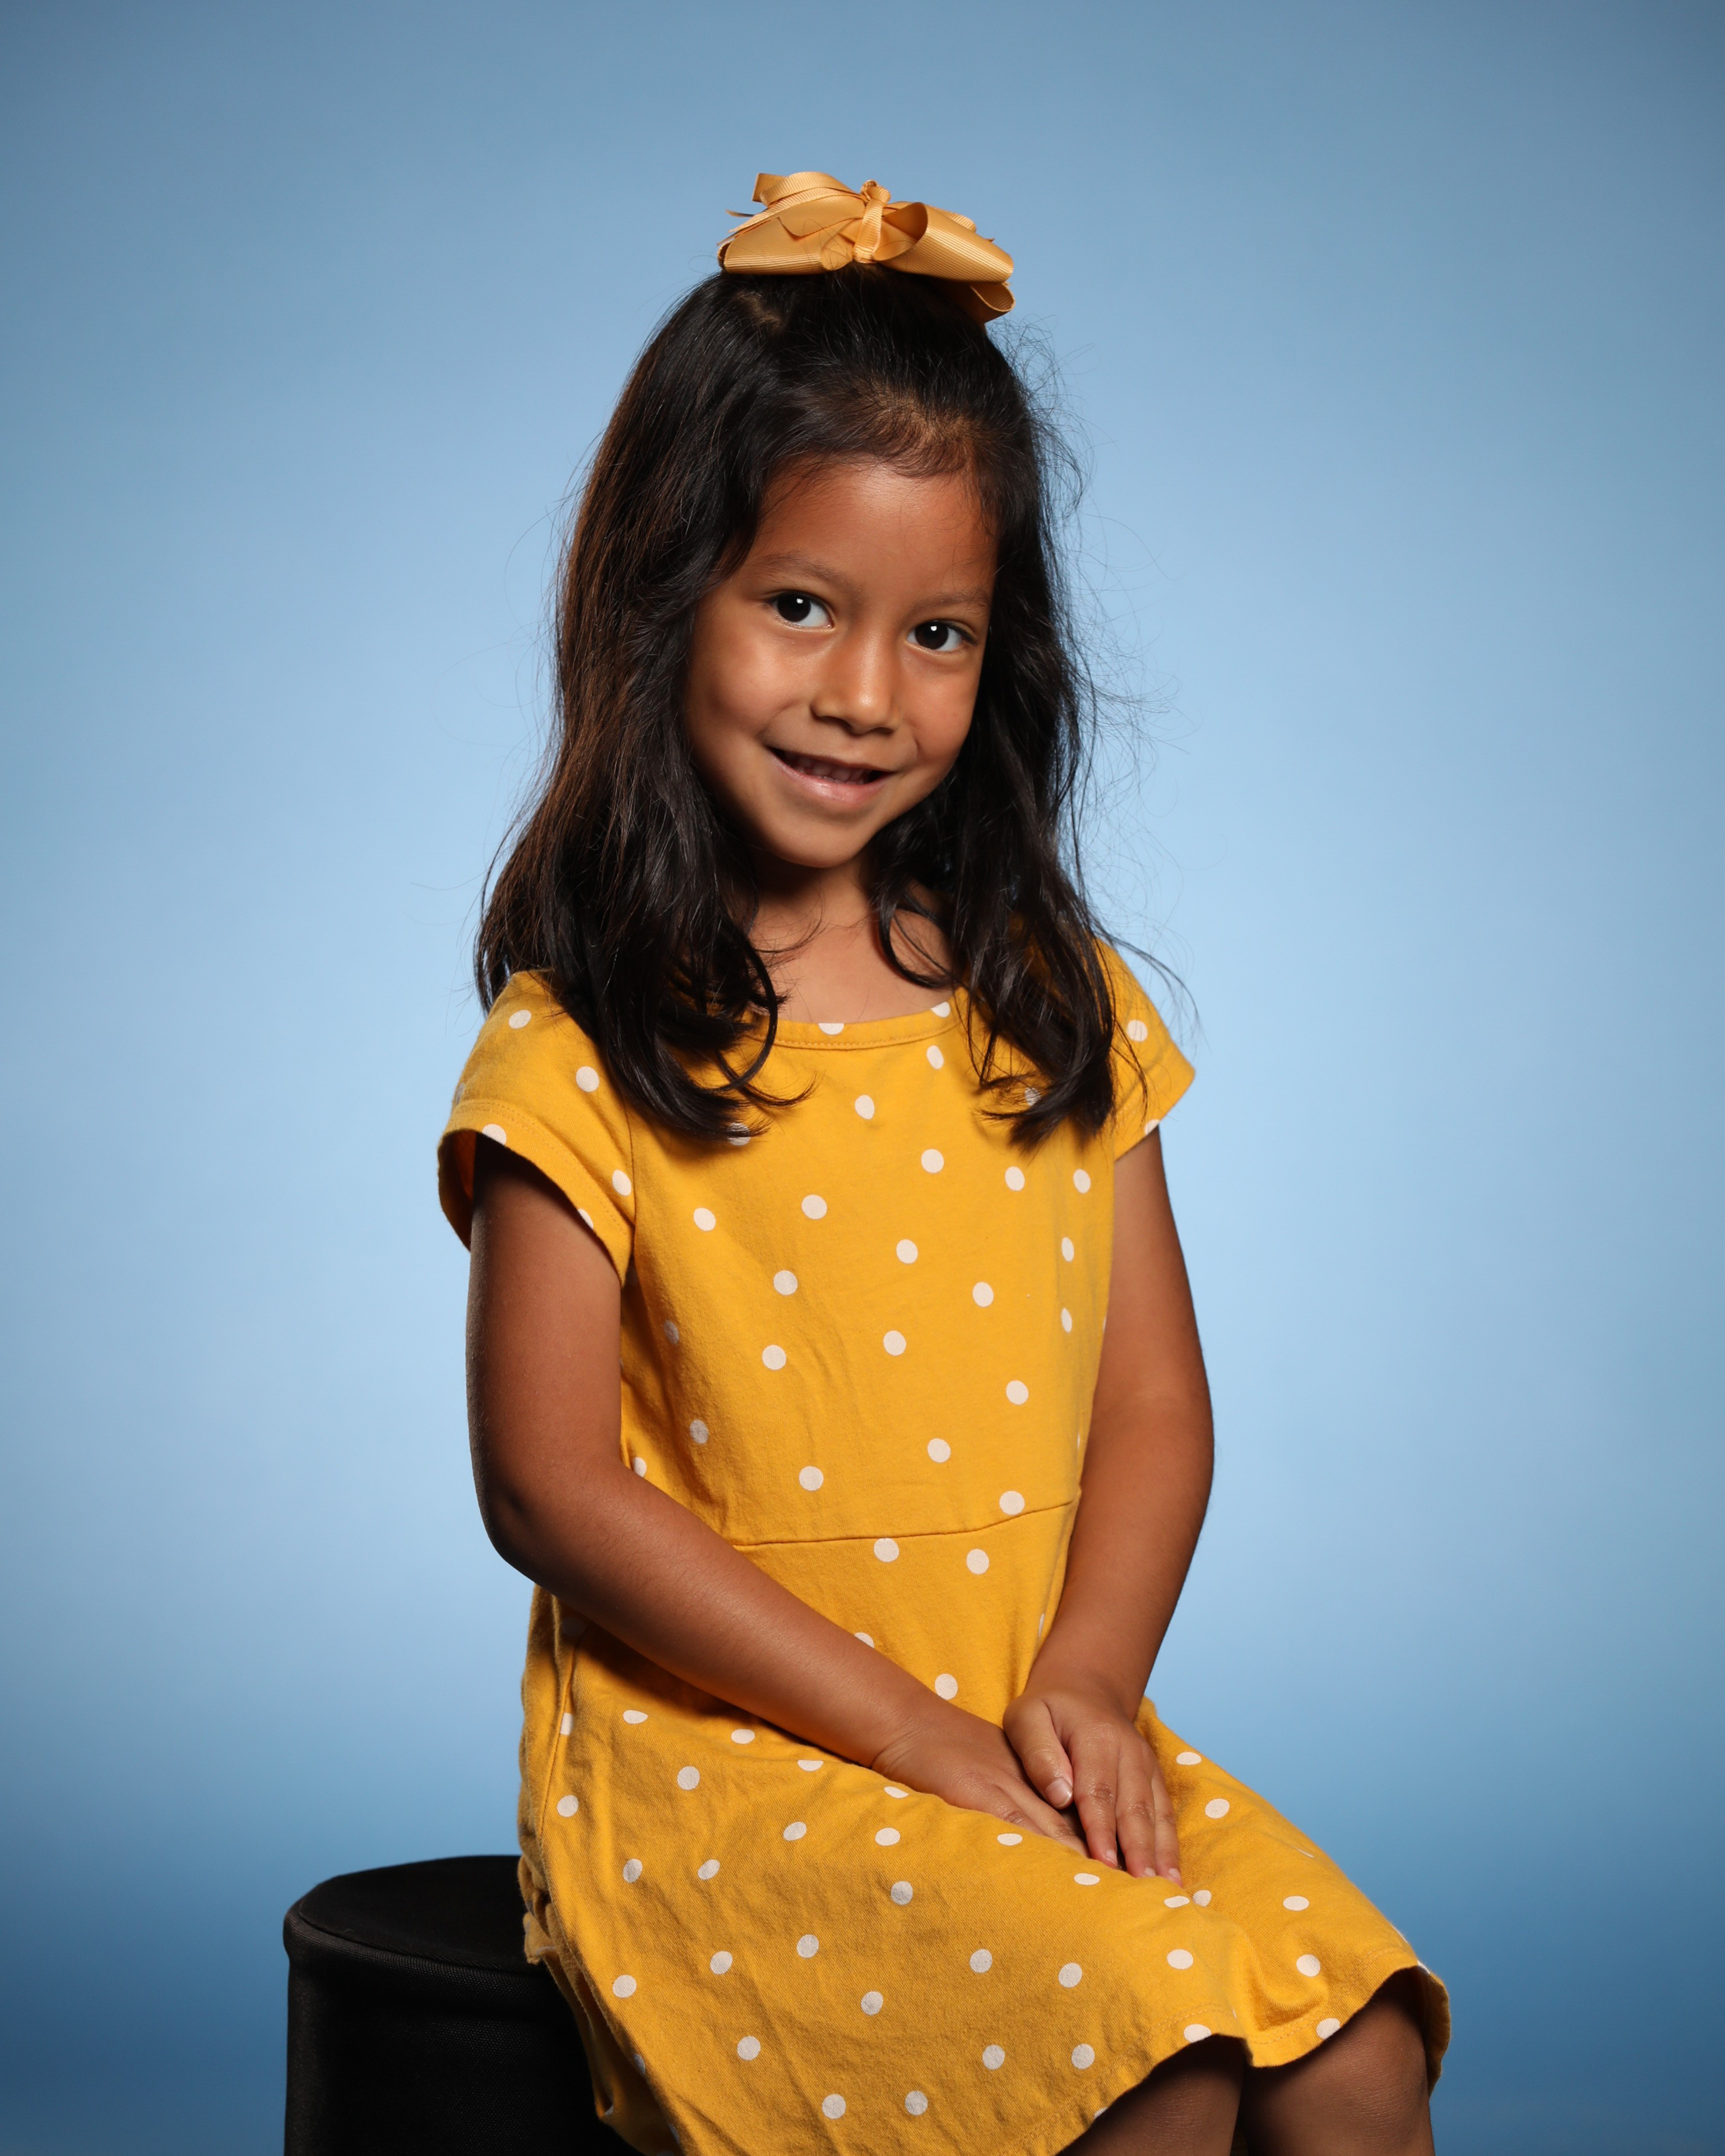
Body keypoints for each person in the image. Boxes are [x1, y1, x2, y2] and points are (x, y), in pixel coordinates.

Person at [438, 171, 1450, 2156]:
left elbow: (1156, 1409)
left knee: (1355, 2057)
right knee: (1150, 2059)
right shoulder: (578, 1046)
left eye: (939, 634)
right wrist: (908, 1740)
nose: (864, 695)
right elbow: (546, 1483)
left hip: (1020, 1709)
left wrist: (1089, 1683)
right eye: (800, 606)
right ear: (665, 598)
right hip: (734, 1762)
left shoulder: (1043, 998)